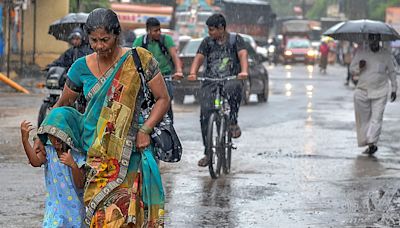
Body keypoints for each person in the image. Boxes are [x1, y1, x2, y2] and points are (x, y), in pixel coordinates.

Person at [34, 8, 169, 227]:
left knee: (126, 215)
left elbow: (163, 98)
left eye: (105, 40)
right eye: (94, 40)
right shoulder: (80, 68)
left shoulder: (138, 60)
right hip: (94, 152)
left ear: (117, 34)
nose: (99, 46)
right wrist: (41, 135)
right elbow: (62, 105)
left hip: (129, 150)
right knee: (100, 217)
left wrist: (146, 130)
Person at [187, 13, 249, 167]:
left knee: (234, 89)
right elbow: (199, 57)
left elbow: (243, 55)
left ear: (222, 28)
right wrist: (193, 73)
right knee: (205, 115)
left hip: (231, 78)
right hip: (211, 80)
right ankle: (208, 153)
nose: (210, 33)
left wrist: (244, 71)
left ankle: (233, 122)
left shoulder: (235, 39)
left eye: (212, 30)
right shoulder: (207, 42)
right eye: (209, 30)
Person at [20, 108, 86, 227]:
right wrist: (25, 140)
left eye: (59, 137)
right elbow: (35, 162)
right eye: (52, 136)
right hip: (54, 209)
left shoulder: (77, 156)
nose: (56, 141)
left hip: (75, 211)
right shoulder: (49, 151)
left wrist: (73, 165)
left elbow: (80, 184)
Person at [350, 33, 397, 155]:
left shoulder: (386, 54)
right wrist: (359, 67)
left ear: (379, 41)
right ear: (369, 41)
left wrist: (394, 89)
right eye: (372, 40)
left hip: (380, 91)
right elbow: (352, 69)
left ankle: (372, 144)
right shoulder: (361, 52)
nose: (374, 42)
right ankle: (367, 140)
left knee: (377, 118)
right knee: (364, 119)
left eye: (376, 40)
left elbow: (392, 72)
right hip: (363, 90)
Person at [133, 17, 183, 122]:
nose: (158, 33)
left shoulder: (166, 40)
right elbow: (132, 60)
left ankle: (169, 126)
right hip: (147, 79)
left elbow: (175, 56)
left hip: (165, 76)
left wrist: (179, 71)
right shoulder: (140, 42)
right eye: (155, 30)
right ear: (148, 31)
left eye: (159, 30)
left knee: (166, 103)